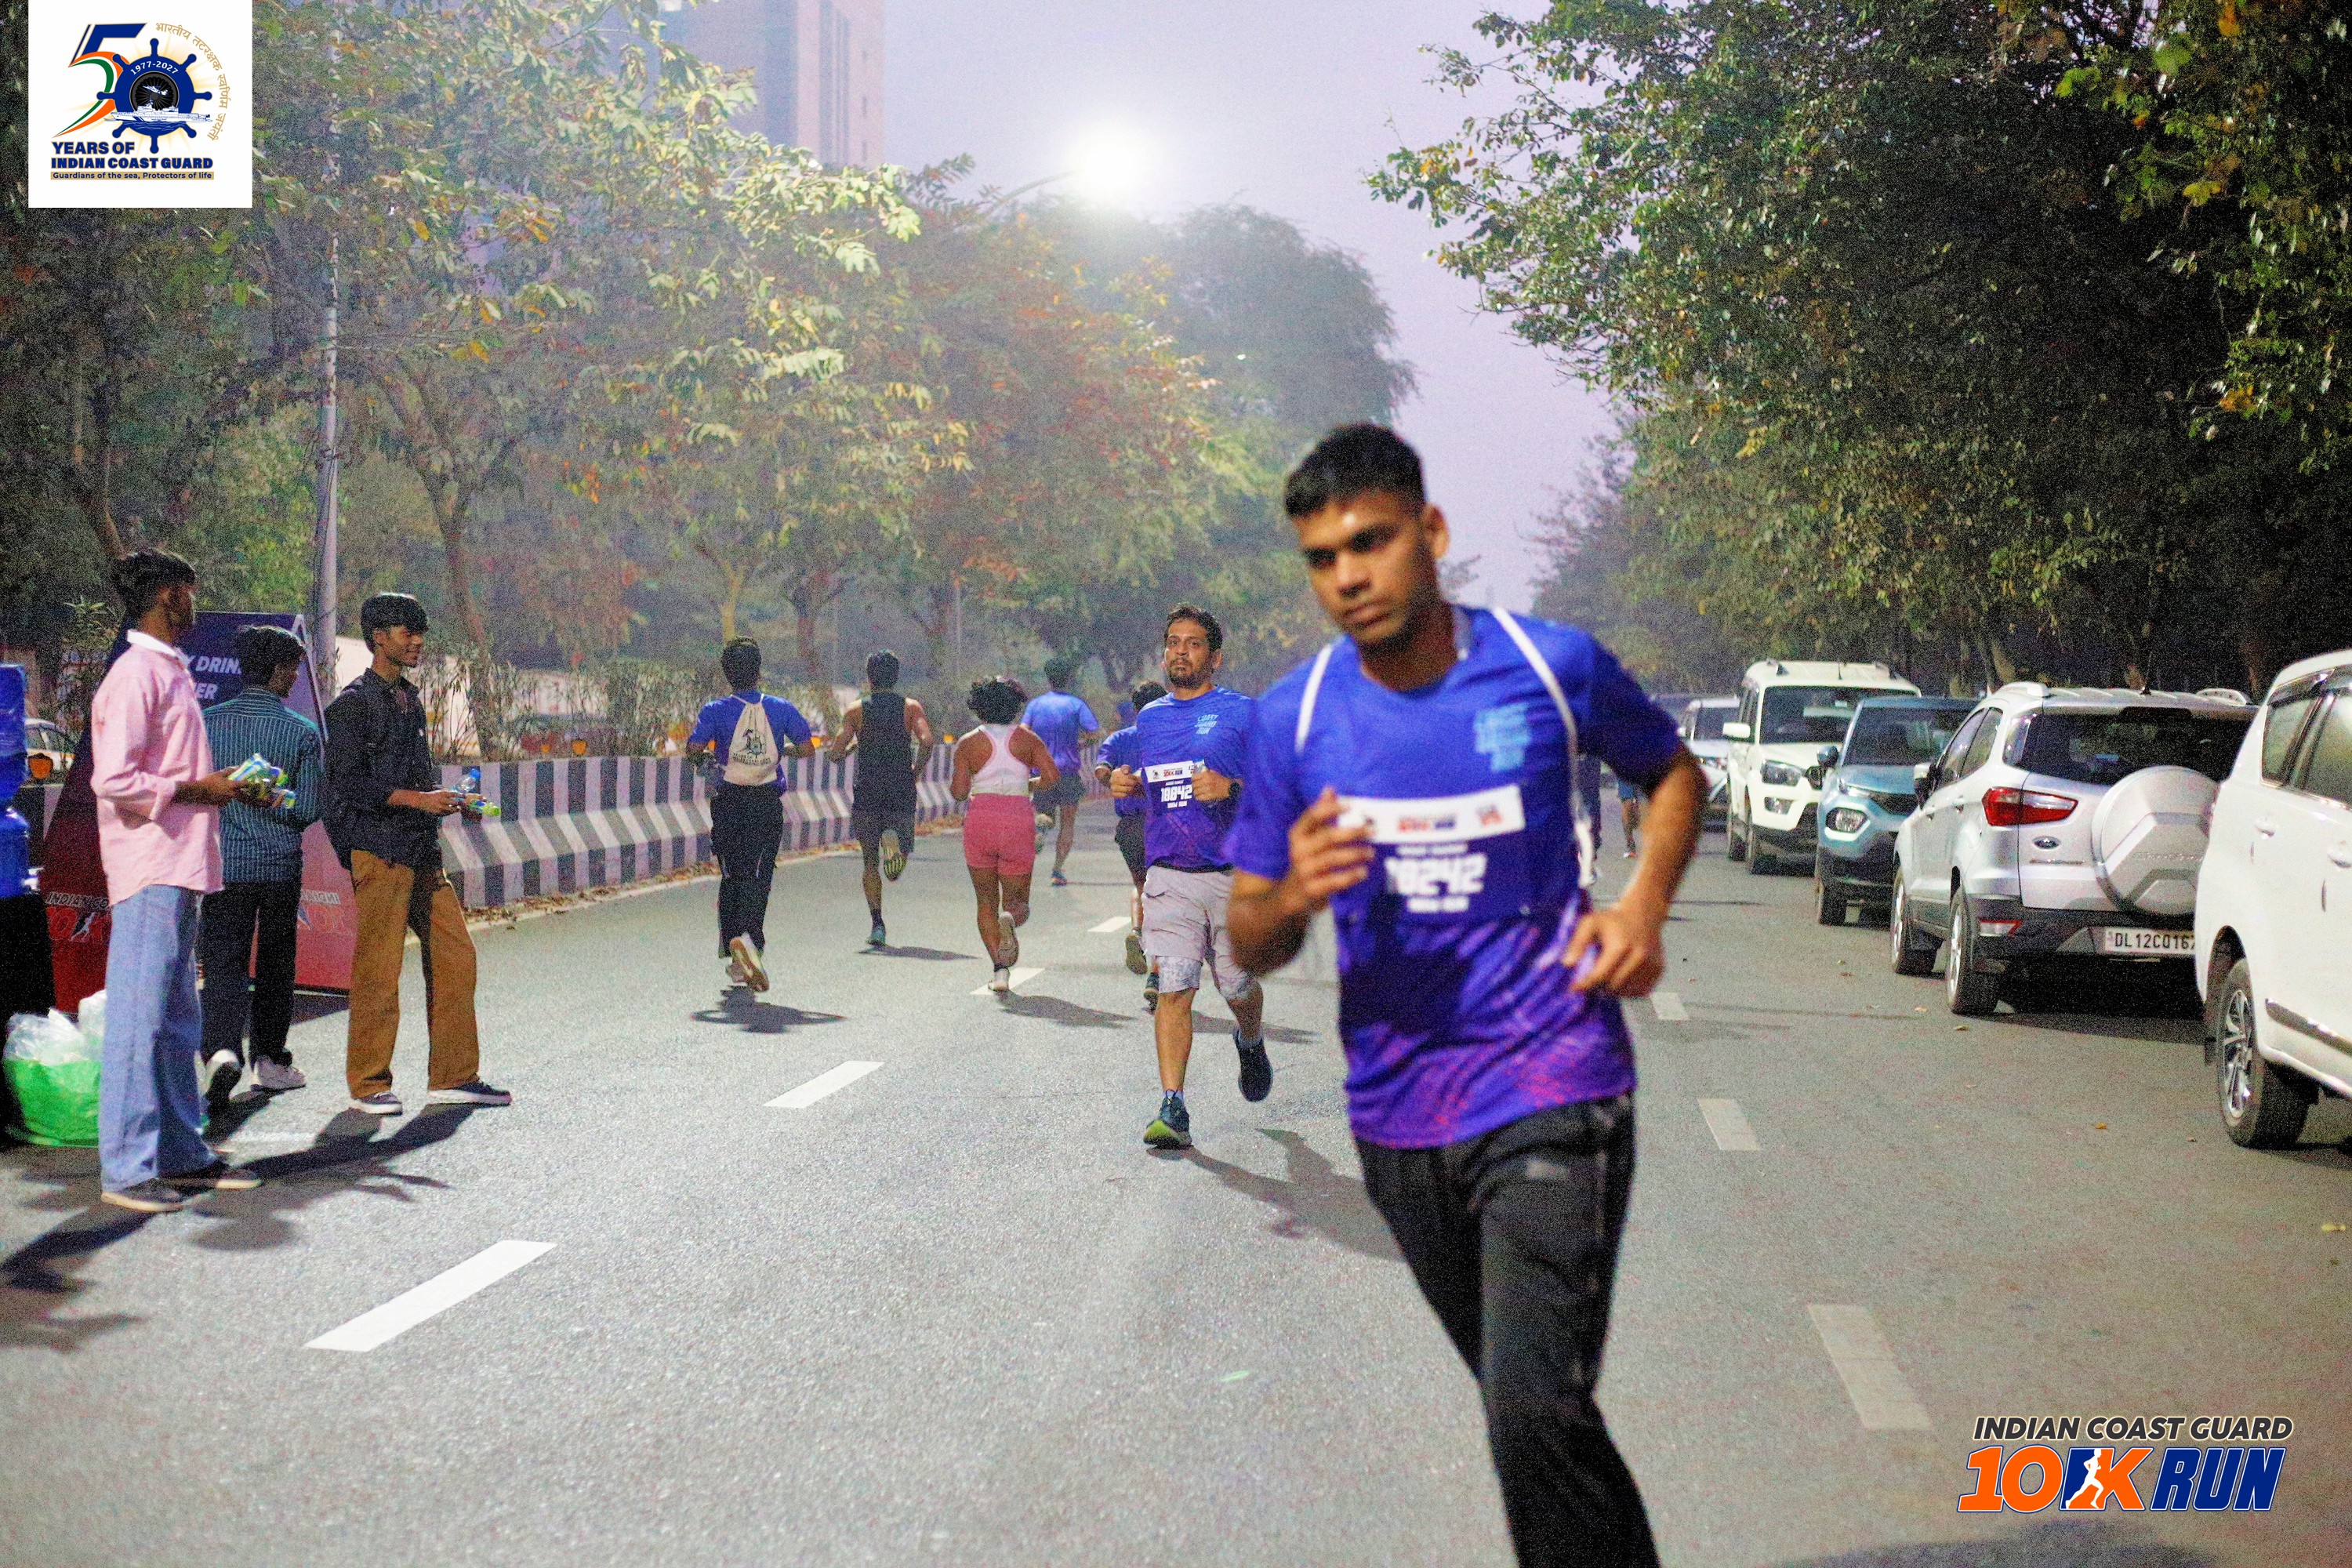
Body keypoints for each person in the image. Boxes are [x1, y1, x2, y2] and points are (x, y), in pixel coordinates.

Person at [1225, 425, 1704, 1568]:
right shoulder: (1294, 718)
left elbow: (1672, 772)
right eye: (1323, 557)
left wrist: (1641, 908)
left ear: (1430, 533)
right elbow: (1250, 934)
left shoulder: (1550, 666)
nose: (1349, 575)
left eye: (1372, 542)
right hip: (1398, 1114)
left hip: (1553, 1079)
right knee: (1529, 1412)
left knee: (1532, 1409)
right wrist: (1294, 889)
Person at [86, 550, 263, 1212]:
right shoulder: (135, 674)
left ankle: (182, 1153)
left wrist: (221, 789)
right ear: (168, 595)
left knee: (176, 1022)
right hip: (149, 866)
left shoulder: (169, 669)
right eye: (191, 591)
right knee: (139, 1023)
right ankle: (128, 1170)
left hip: (181, 864)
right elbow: (114, 779)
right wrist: (201, 788)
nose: (196, 603)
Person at [325, 593, 512, 1116]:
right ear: (378, 637)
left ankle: (454, 1076)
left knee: (457, 956)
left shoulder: (409, 700)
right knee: (379, 969)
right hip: (380, 850)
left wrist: (448, 801)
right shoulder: (351, 706)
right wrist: (419, 800)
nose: (417, 642)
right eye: (407, 632)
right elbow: (349, 786)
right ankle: (368, 1083)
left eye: (420, 632)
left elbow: (413, 778)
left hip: (420, 849)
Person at [1104, 606, 1269, 1150]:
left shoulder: (1243, 714)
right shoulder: (1151, 720)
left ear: (1214, 658)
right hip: (1169, 873)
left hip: (1231, 875)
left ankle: (1250, 1039)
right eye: (1173, 642)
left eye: (1193, 643)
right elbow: (1141, 776)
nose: (1180, 651)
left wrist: (1233, 788)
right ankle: (1172, 1106)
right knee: (1174, 988)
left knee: (1237, 987)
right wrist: (1126, 784)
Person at [198, 624, 324, 1105]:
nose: (294, 678)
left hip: (223, 866)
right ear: (277, 670)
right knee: (275, 964)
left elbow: (195, 791)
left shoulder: (208, 722)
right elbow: (308, 808)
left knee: (223, 964)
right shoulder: (301, 731)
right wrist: (275, 798)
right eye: (292, 668)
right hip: (278, 868)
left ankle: (221, 1052)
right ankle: (270, 1061)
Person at [686, 637, 815, 992]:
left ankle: (734, 949)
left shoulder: (714, 710)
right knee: (760, 875)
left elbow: (694, 748)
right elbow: (807, 748)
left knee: (732, 875)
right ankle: (752, 942)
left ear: (727, 673)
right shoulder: (782, 708)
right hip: (766, 803)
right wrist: (782, 751)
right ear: (759, 671)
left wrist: (704, 759)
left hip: (729, 803)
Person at [949, 677, 1057, 993]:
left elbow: (959, 792)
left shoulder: (968, 743)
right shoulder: (1027, 740)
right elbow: (1051, 776)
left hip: (981, 820)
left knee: (985, 901)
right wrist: (1028, 784)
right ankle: (1009, 917)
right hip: (1018, 820)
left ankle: (999, 971)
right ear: (1015, 706)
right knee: (1018, 902)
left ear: (978, 706)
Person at [827, 649, 934, 949]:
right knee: (899, 862)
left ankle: (877, 925)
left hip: (869, 788)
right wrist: (916, 771)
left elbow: (836, 750)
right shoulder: (910, 707)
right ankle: (895, 844)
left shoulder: (856, 710)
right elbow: (927, 741)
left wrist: (845, 751)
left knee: (870, 862)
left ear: (869, 677)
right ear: (896, 676)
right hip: (900, 786)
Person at [1094, 678, 1167, 1009]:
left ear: (1135, 708)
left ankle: (1137, 930)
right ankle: (1157, 974)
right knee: (1166, 896)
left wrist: (1111, 777)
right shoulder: (1170, 737)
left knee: (1141, 885)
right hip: (1164, 825)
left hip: (1130, 827)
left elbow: (1101, 769)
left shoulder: (1119, 739)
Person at [1020, 655, 1100, 887]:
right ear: (1069, 678)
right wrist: (1081, 744)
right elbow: (1094, 733)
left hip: (1042, 773)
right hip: (1068, 773)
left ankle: (1042, 825)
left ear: (1048, 678)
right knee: (1067, 824)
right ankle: (1057, 870)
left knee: (1044, 813)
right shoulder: (1076, 705)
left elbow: (1023, 732)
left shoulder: (1035, 705)